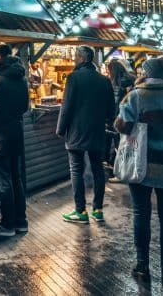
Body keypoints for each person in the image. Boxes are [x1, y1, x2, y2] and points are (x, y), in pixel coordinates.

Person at [115, 56, 163, 287]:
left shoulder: (136, 95)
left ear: (147, 72)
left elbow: (123, 125)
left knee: (141, 213)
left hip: (142, 165)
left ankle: (142, 266)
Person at [57, 45, 115, 224]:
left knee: (76, 170)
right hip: (97, 132)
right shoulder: (104, 80)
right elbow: (111, 109)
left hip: (76, 132)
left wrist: (60, 128)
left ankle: (80, 210)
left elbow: (66, 106)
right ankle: (97, 210)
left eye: (76, 56)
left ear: (82, 58)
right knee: (98, 170)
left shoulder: (74, 78)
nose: (74, 59)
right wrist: (105, 121)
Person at [0, 43, 29, 238]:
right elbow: (25, 106)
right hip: (16, 132)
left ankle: (7, 224)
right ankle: (21, 221)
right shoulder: (21, 78)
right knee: (16, 178)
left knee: (4, 181)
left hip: (0, 134)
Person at [105, 59, 135, 174]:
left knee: (117, 143)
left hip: (116, 118)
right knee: (122, 144)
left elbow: (114, 102)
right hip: (127, 117)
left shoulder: (113, 83)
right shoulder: (131, 79)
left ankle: (118, 170)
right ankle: (121, 168)